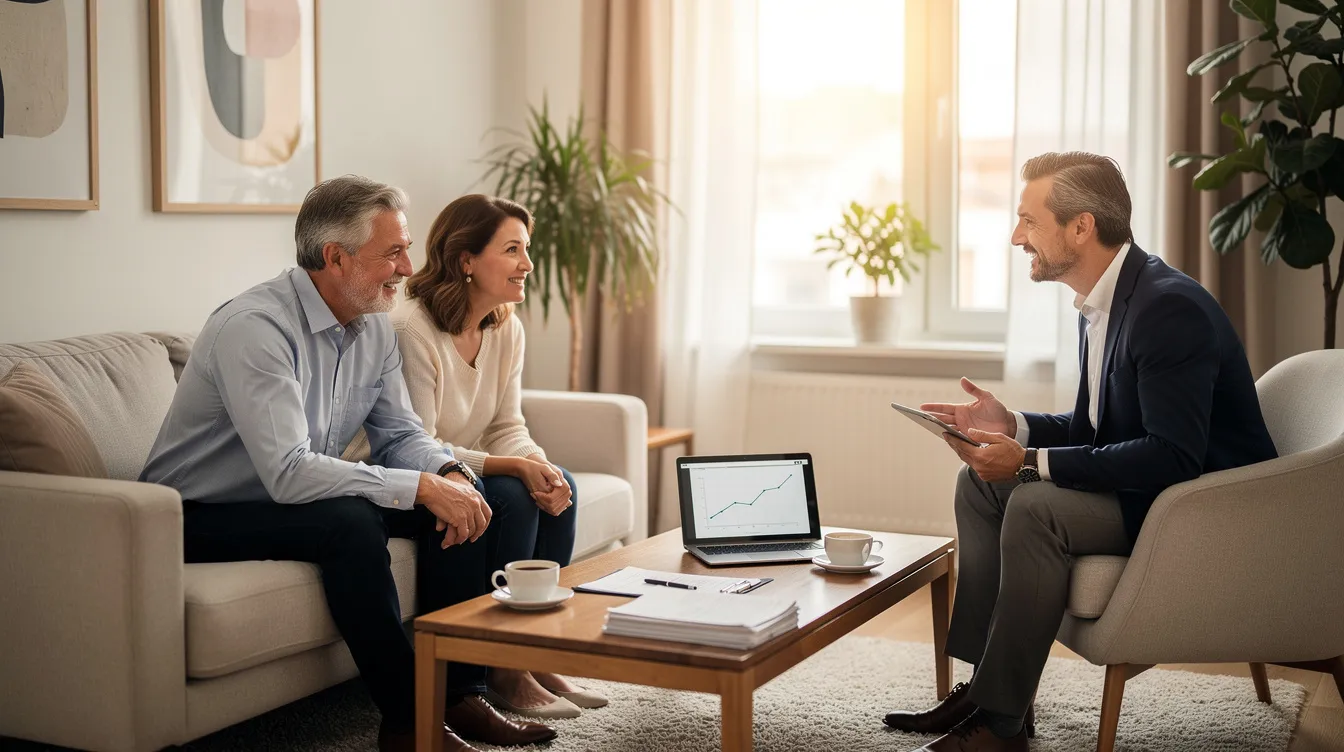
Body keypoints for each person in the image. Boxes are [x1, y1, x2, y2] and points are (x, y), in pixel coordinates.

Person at [139, 176, 560, 752]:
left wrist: (449, 475)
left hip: (288, 496)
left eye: (406, 248)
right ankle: (408, 722)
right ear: (335, 257)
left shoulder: (372, 328)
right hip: (198, 513)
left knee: (476, 501)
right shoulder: (255, 329)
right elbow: (288, 471)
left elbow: (400, 434)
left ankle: (460, 695)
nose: (409, 267)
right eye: (393, 252)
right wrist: (419, 486)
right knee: (352, 523)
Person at [883, 152, 1278, 752]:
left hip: (1199, 510)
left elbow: (1172, 456)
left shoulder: (1167, 309)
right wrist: (1012, 425)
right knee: (980, 484)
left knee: (1034, 505)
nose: (1017, 237)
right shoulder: (1108, 299)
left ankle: (1001, 723)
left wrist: (1027, 461)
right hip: (1153, 489)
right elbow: (1097, 427)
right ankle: (988, 689)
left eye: (1028, 221)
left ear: (1081, 227)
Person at [344, 193, 606, 719]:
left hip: (454, 468)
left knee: (558, 489)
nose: (527, 265)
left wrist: (539, 465)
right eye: (512, 250)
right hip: (391, 477)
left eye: (525, 249)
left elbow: (507, 426)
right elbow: (415, 442)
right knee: (506, 493)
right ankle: (474, 679)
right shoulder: (410, 329)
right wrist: (514, 466)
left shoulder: (506, 326)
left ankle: (527, 656)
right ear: (466, 259)